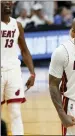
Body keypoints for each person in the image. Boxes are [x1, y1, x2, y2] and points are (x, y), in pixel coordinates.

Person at [1, 1, 35, 135]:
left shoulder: (17, 25)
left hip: (13, 71)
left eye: (10, 2)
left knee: (15, 112)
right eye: (4, 2)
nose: (8, 4)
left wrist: (32, 73)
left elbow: (24, 51)